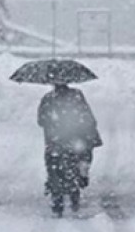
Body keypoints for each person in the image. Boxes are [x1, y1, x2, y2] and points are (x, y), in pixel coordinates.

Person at [37, 83, 101, 217]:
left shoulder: (48, 99)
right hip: (74, 140)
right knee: (74, 166)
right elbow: (87, 117)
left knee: (54, 169)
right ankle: (74, 194)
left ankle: (57, 199)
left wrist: (53, 124)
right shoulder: (77, 96)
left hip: (55, 141)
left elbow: (41, 120)